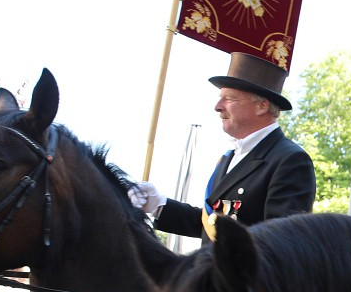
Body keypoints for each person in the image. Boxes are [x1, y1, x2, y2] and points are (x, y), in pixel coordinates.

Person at [132, 52, 316, 240]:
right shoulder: (230, 157)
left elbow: (282, 242)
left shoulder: (289, 160)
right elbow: (210, 225)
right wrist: (158, 205)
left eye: (229, 98)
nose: (218, 106)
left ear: (262, 106)